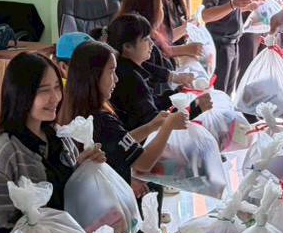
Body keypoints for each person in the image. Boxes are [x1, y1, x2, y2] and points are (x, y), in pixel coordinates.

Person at [0, 51, 105, 227]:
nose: (55, 97)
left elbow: (69, 195)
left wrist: (83, 169)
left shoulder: (59, 136)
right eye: (44, 90)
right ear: (20, 94)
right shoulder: (5, 152)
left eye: (57, 87)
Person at [62, 39, 189, 187]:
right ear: (94, 75)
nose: (116, 79)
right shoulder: (102, 120)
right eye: (111, 72)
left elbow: (120, 142)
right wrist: (167, 127)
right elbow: (143, 163)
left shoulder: (76, 109)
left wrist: (151, 126)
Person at [105, 12, 211, 131]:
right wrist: (196, 108)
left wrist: (179, 93)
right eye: (145, 39)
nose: (151, 44)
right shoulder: (131, 79)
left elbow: (152, 103)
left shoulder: (126, 68)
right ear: (127, 47)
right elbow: (154, 124)